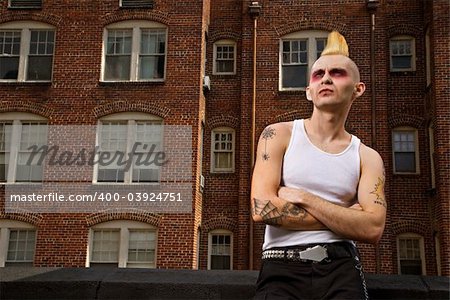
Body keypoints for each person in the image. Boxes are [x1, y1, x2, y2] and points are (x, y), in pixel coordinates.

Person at [251, 31, 386, 300]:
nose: (325, 78)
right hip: (282, 267)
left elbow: (372, 229)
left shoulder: (367, 156)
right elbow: (262, 208)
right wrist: (348, 217)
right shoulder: (277, 135)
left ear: (357, 89)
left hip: (342, 268)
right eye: (318, 74)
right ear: (309, 92)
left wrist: (303, 197)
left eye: (337, 73)